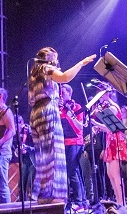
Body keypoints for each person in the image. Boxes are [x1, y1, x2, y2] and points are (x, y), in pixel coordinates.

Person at [29, 47, 96, 204]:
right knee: (54, 155)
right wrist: (81, 63)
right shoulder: (47, 68)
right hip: (48, 112)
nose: (57, 61)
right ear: (49, 58)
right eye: (55, 58)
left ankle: (43, 195)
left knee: (43, 156)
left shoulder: (34, 73)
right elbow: (65, 77)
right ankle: (54, 197)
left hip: (36, 113)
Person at [92, 85, 127, 206]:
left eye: (101, 95)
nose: (100, 98)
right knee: (110, 174)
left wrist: (94, 122)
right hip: (110, 140)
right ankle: (118, 202)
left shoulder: (113, 108)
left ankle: (121, 203)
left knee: (115, 173)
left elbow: (110, 128)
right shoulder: (108, 107)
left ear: (107, 94)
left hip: (116, 140)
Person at [58, 84, 87, 211]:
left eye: (63, 94)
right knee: (71, 172)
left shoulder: (77, 107)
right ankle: (78, 200)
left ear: (69, 93)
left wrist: (71, 115)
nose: (61, 96)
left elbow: (80, 127)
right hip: (63, 142)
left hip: (75, 142)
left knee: (73, 171)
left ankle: (79, 201)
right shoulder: (61, 109)